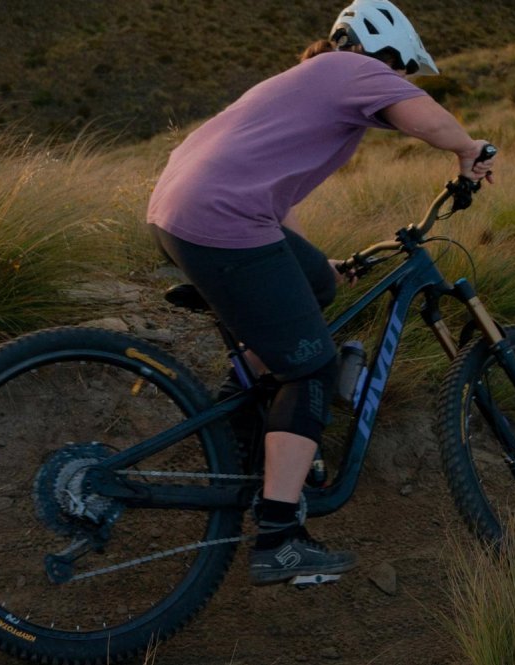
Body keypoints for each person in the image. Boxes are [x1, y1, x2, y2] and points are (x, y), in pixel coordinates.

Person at [146, 0, 495, 585]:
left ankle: (237, 422)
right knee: (311, 367)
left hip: (182, 211)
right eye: (398, 71)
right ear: (379, 53)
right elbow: (425, 119)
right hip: (220, 219)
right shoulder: (348, 69)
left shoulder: (303, 83)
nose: (396, 83)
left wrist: (313, 263)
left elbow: (279, 199)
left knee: (315, 282)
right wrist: (468, 150)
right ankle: (279, 537)